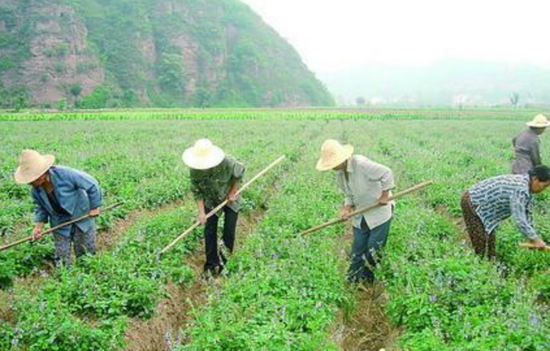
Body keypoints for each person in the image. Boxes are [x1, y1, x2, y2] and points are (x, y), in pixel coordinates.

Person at [316, 139, 395, 284]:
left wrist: (385, 195)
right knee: (358, 249)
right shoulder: (340, 174)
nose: (331, 168)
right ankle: (352, 279)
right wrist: (346, 208)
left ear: (342, 159)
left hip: (379, 214)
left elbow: (387, 173)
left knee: (373, 249)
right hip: (360, 214)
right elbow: (349, 195)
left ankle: (367, 280)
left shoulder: (362, 165)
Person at [14, 149, 103, 266]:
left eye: (31, 179)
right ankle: (65, 276)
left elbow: (92, 184)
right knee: (62, 254)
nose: (29, 183)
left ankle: (87, 275)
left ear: (41, 175)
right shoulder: (36, 190)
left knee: (85, 252)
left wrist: (94, 207)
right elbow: (41, 207)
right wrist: (38, 227)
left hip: (81, 216)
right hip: (59, 221)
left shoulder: (66, 174)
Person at [183, 139, 245, 276]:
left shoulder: (228, 163)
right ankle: (211, 265)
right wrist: (201, 213)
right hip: (211, 199)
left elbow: (239, 175)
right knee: (209, 230)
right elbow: (197, 192)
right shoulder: (195, 170)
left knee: (229, 231)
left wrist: (233, 192)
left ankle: (225, 264)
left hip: (230, 198)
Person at [461, 165, 550, 259]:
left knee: (489, 241)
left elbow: (527, 214)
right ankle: (481, 265)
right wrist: (535, 238)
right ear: (535, 179)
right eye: (545, 186)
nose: (544, 189)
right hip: (473, 202)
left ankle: (490, 263)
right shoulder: (520, 189)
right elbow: (519, 218)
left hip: (486, 208)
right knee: (481, 244)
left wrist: (532, 237)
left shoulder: (528, 189)